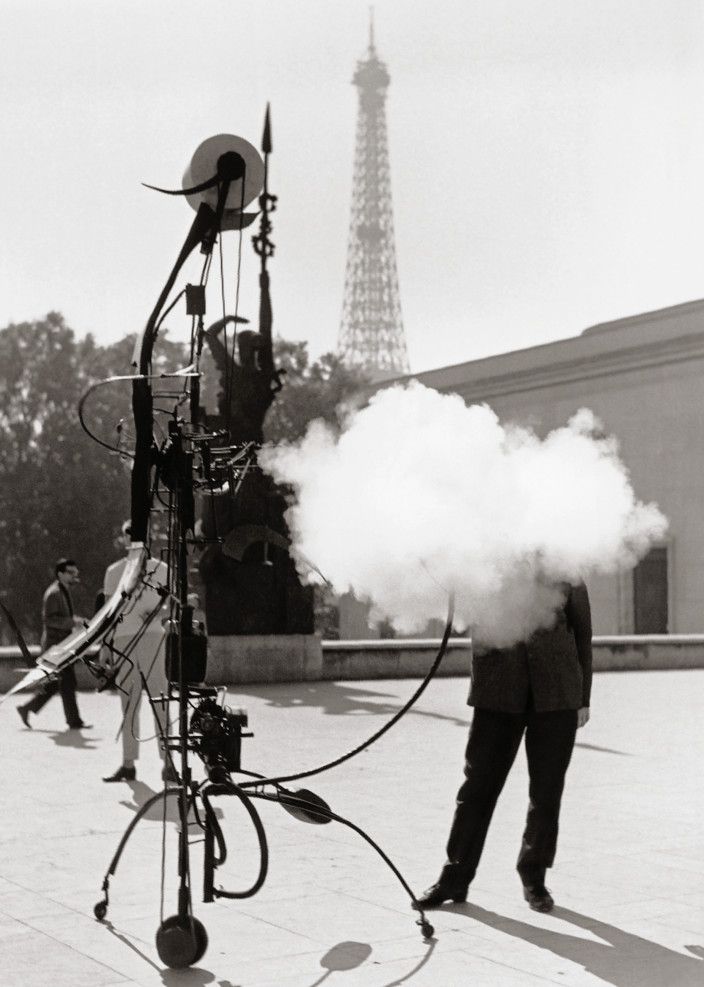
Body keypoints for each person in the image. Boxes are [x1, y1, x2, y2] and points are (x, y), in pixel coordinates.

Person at [417, 581, 593, 913]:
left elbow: (582, 635)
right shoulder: (484, 563)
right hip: (497, 692)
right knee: (477, 788)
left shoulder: (567, 560)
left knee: (546, 792)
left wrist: (583, 698)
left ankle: (534, 877)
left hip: (556, 694)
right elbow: (463, 608)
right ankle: (455, 875)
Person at [101, 522, 177, 783]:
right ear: (124, 539)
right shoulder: (114, 572)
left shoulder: (162, 569)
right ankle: (128, 764)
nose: (135, 540)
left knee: (161, 701)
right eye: (130, 536)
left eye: (140, 536)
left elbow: (172, 607)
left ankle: (169, 763)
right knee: (129, 704)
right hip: (123, 641)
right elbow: (109, 614)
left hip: (154, 638)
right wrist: (106, 647)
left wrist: (158, 613)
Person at [17, 558, 89, 730]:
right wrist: (74, 622)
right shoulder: (54, 593)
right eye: (71, 573)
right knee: (67, 682)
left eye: (75, 572)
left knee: (56, 684)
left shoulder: (61, 591)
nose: (75, 576)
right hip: (55, 647)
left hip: (60, 646)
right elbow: (49, 620)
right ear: (60, 574)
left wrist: (74, 622)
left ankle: (26, 708)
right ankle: (74, 721)